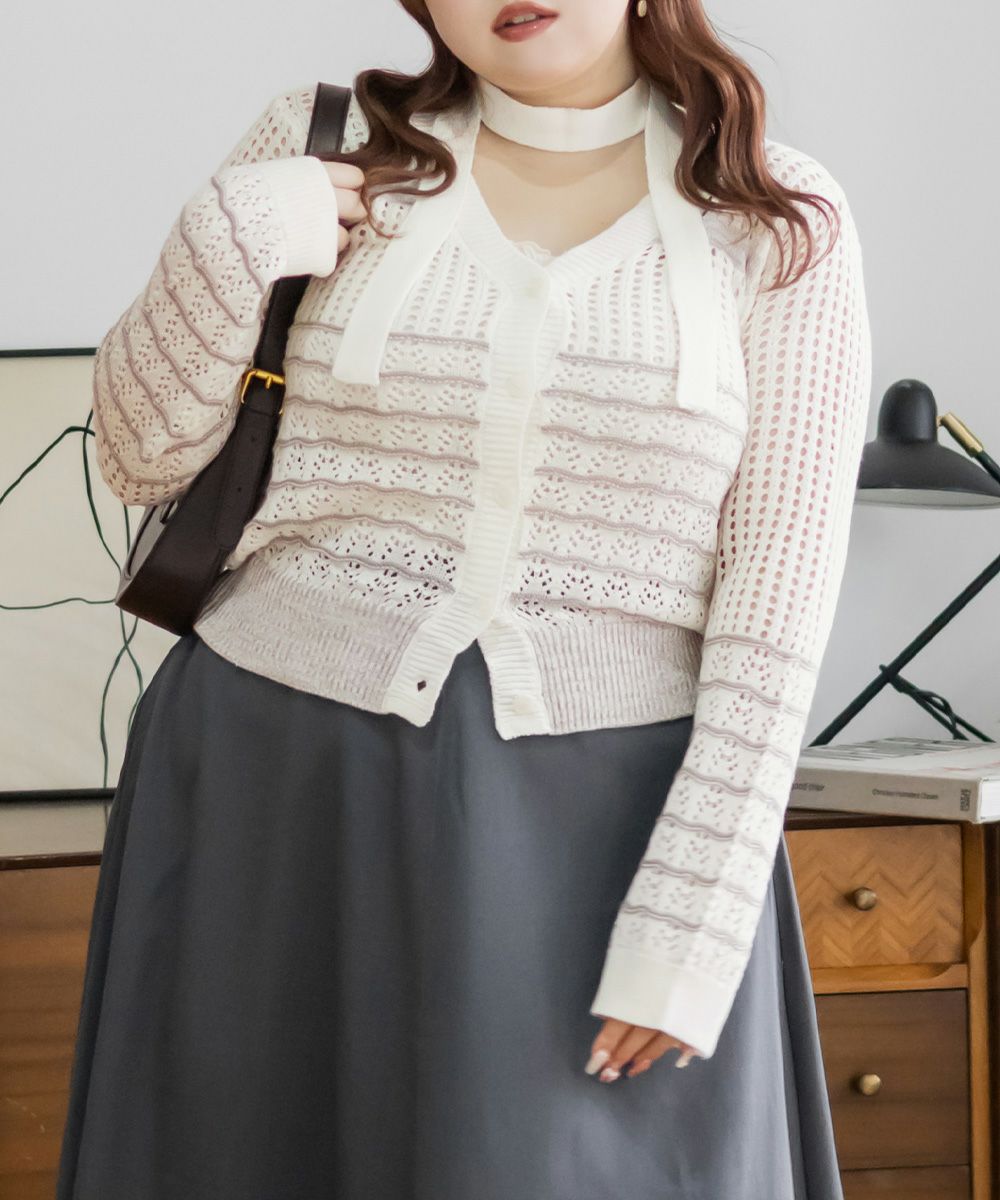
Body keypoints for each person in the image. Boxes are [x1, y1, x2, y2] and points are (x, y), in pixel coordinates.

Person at [56, 0, 870, 1196]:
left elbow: (779, 597)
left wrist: (699, 914)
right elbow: (139, 458)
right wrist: (228, 236)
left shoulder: (774, 215)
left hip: (606, 824)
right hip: (273, 787)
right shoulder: (328, 144)